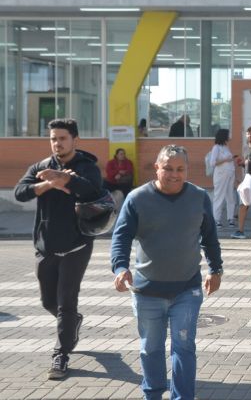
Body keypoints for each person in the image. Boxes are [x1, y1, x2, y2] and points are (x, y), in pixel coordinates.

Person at [111, 144, 223, 400]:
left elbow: (209, 237)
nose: (174, 174)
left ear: (187, 170)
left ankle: (182, 397)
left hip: (187, 289)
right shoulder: (137, 198)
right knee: (150, 347)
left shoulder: (198, 197)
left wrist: (215, 269)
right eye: (168, 168)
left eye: (180, 169)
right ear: (157, 168)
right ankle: (152, 393)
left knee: (183, 347)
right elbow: (121, 237)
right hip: (146, 290)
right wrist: (120, 267)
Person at [14, 118, 104, 380]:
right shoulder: (41, 167)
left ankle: (61, 355)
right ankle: (72, 322)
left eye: (62, 138)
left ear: (75, 140)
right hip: (46, 245)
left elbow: (93, 190)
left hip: (77, 245)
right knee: (48, 301)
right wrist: (47, 184)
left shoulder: (87, 166)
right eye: (53, 138)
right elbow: (20, 192)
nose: (57, 143)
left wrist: (66, 180)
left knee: (66, 301)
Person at [210, 128, 237, 229]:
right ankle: (216, 219)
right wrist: (226, 159)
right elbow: (212, 163)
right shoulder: (216, 147)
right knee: (219, 196)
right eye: (228, 134)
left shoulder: (226, 147)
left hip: (230, 173)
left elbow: (229, 160)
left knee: (230, 196)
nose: (229, 136)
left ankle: (230, 219)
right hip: (221, 175)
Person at [234, 126, 251, 239]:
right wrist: (242, 164)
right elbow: (247, 165)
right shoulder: (245, 148)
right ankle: (240, 231)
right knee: (243, 204)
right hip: (247, 179)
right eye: (248, 134)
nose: (250, 135)